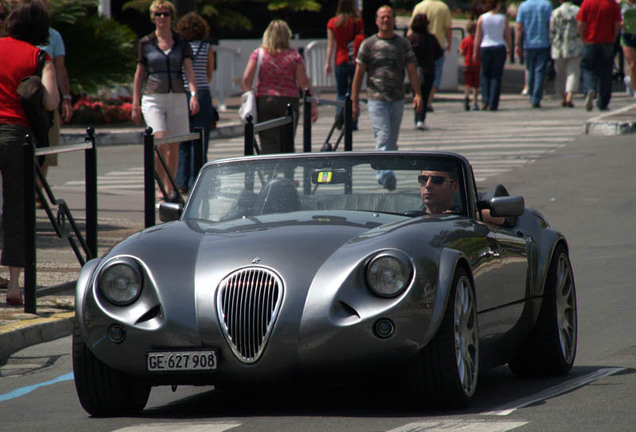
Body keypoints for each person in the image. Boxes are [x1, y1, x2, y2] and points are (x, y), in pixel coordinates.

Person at [0, 0, 59, 306]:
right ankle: (13, 285)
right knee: (16, 209)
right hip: (16, 136)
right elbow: (50, 102)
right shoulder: (39, 56)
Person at [132, 0, 199, 203]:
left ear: (171, 17)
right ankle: (160, 185)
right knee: (159, 140)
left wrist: (194, 94)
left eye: (165, 14)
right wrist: (135, 103)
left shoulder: (181, 42)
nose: (162, 18)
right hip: (153, 96)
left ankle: (170, 186)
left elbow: (189, 70)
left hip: (177, 96)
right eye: (158, 14)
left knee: (174, 145)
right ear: (153, 17)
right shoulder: (146, 43)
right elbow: (140, 73)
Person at [352, 5, 423, 190]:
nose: (386, 20)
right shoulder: (368, 44)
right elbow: (359, 74)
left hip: (397, 98)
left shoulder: (402, 44)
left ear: (394, 20)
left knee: (392, 140)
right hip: (376, 98)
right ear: (376, 21)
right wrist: (354, 100)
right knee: (383, 136)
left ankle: (385, 170)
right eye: (382, 17)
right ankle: (386, 174)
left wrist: (417, 94)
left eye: (389, 17)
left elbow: (411, 70)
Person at [241, 20, 318, 155]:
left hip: (265, 100)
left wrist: (249, 93)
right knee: (287, 141)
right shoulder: (294, 56)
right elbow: (304, 82)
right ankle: (287, 172)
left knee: (268, 141)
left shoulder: (259, 54)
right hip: (289, 101)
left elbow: (247, 78)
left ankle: (270, 172)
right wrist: (313, 105)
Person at [37, 0, 73, 207]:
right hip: (22, 99)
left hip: (47, 98)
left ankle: (38, 189)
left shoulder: (54, 36)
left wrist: (66, 97)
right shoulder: (16, 33)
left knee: (47, 145)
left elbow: (60, 69)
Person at [176, 12, 216, 194]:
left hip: (182, 93)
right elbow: (208, 73)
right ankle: (196, 180)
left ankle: (181, 180)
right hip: (201, 93)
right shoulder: (206, 48)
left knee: (184, 140)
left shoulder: (180, 47)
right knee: (201, 139)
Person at [325, 0, 364, 131]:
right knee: (354, 92)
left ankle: (339, 116)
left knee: (341, 92)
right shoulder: (357, 22)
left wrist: (327, 63)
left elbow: (331, 45)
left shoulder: (333, 22)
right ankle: (352, 122)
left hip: (339, 60)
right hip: (354, 60)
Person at [576, 0, 621, 111]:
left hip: (590, 41)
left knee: (587, 68)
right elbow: (617, 24)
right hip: (607, 41)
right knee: (605, 71)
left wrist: (583, 39)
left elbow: (581, 23)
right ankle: (603, 102)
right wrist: (613, 39)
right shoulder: (611, 4)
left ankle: (590, 89)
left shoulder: (587, 3)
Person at [410, 0, 452, 112]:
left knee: (417, 76)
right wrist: (449, 43)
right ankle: (428, 101)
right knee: (434, 76)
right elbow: (448, 28)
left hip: (418, 47)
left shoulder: (419, 6)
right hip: (436, 46)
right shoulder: (443, 7)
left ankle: (419, 99)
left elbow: (411, 27)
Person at [407, 13, 443, 130]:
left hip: (414, 72)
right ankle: (421, 119)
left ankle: (417, 117)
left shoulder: (410, 39)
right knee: (425, 94)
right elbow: (439, 53)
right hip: (428, 70)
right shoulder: (431, 38)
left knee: (416, 94)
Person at [474, 0, 512, 111]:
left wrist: (475, 51)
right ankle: (493, 102)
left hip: (485, 46)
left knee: (485, 74)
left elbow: (478, 36)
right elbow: (508, 35)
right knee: (496, 75)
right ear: (498, 5)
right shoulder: (503, 18)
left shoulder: (482, 18)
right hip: (499, 46)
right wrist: (510, 48)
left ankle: (485, 99)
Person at [515, 0, 553, 108]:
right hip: (543, 42)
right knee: (540, 70)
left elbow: (519, 27)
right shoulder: (546, 5)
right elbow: (549, 24)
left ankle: (532, 93)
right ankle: (536, 97)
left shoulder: (523, 6)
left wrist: (517, 44)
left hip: (528, 43)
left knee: (530, 69)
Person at [549, 0, 582, 108]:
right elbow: (582, 26)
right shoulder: (578, 11)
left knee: (560, 73)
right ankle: (570, 96)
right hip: (575, 45)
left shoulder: (556, 12)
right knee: (573, 72)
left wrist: (552, 41)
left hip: (559, 46)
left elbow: (552, 30)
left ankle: (562, 96)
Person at [459, 20, 481, 111]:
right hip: (476, 64)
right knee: (476, 85)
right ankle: (475, 102)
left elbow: (461, 52)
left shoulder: (465, 40)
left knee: (467, 83)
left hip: (467, 63)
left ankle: (466, 98)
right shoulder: (478, 40)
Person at [620, 0, 636, 98]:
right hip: (627, 36)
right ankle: (635, 90)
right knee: (633, 64)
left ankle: (629, 79)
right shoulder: (621, 4)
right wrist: (620, 23)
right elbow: (615, 18)